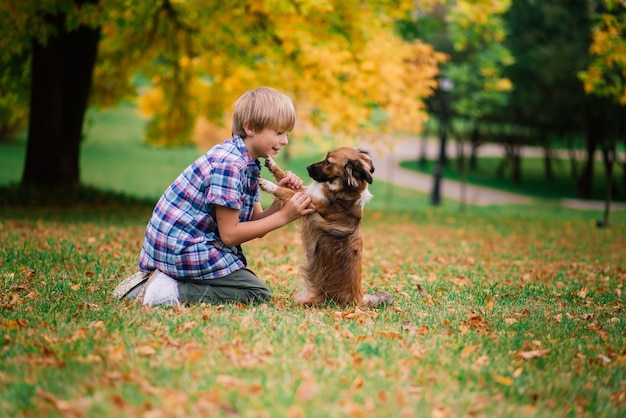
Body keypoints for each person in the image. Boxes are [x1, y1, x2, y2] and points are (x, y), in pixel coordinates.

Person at [112, 87, 314, 306]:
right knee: (256, 293)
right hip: (182, 247)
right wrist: (285, 216)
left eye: (286, 133)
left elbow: (255, 224)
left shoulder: (248, 163)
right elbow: (230, 235)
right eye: (278, 132)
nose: (284, 141)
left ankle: (167, 279)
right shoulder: (230, 165)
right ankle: (165, 290)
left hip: (190, 245)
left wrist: (281, 201)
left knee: (250, 284)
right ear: (250, 127)